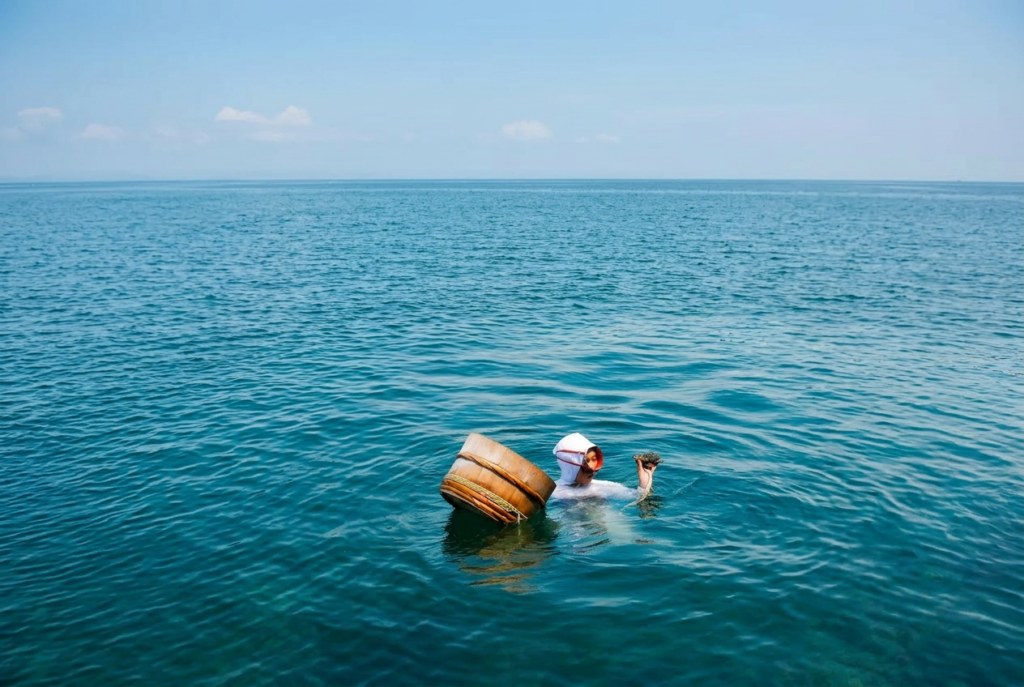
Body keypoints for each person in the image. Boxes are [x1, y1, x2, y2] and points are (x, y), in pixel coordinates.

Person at [551, 432, 658, 500]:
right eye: (586, 461)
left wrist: (644, 483)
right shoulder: (553, 493)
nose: (592, 468)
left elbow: (637, 497)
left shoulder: (602, 487)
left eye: (594, 459)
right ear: (571, 465)